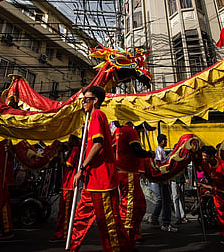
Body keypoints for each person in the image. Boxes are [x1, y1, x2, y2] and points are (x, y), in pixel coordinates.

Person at [68, 86, 133, 252]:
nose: (83, 103)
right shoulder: (91, 119)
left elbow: (98, 144)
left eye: (86, 99)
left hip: (101, 179)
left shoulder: (97, 114)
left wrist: (81, 167)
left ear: (95, 100)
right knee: (80, 220)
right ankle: (72, 248)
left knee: (109, 224)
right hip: (92, 180)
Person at [113, 121, 153, 244]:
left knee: (140, 204)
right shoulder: (130, 131)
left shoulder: (117, 132)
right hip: (128, 173)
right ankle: (125, 238)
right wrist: (148, 154)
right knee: (129, 206)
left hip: (127, 173)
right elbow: (136, 150)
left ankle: (134, 233)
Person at [49, 135, 81, 243]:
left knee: (65, 211)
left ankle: (64, 233)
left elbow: (68, 164)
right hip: (66, 184)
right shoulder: (73, 149)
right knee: (62, 210)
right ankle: (62, 232)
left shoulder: (75, 149)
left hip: (69, 185)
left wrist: (61, 155)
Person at [149, 134, 178, 233]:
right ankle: (166, 223)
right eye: (165, 140)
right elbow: (158, 164)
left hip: (163, 178)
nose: (166, 141)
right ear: (162, 141)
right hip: (162, 178)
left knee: (162, 199)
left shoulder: (160, 150)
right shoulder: (159, 150)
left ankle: (154, 217)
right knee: (166, 200)